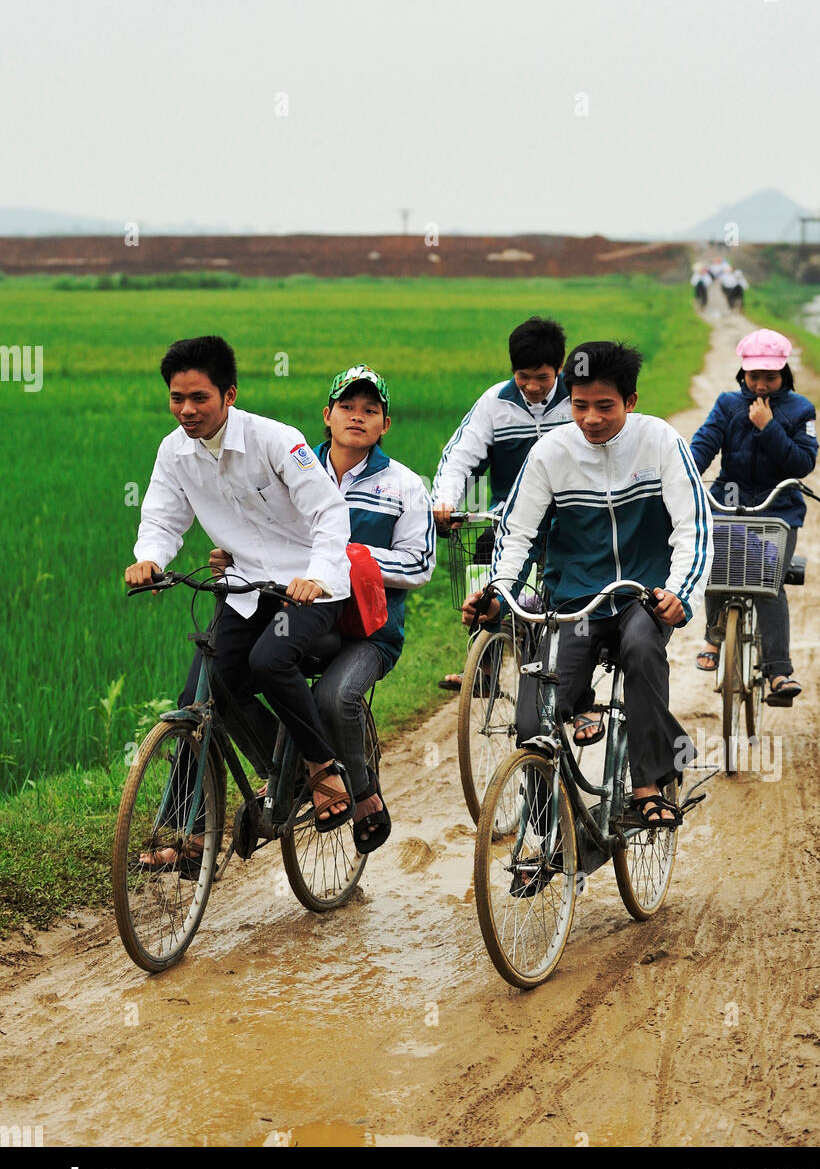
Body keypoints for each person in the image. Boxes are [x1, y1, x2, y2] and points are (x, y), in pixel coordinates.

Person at [124, 335, 355, 868]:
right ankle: (193, 834)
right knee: (199, 694)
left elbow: (328, 512)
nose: (186, 410)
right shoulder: (173, 452)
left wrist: (317, 576)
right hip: (244, 589)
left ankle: (322, 768)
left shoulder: (277, 441)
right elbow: (162, 519)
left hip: (308, 589)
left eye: (199, 397)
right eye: (177, 397)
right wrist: (150, 558)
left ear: (229, 395)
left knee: (268, 661)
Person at [465, 340, 712, 828]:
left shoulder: (659, 441)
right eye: (579, 405)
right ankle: (544, 834)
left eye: (605, 406)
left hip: (643, 595)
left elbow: (693, 526)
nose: (591, 418)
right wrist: (499, 590)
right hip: (575, 602)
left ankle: (647, 784)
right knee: (535, 719)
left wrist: (680, 593)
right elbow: (516, 534)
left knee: (642, 648)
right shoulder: (550, 454)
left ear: (631, 402)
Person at [211, 365, 435, 851]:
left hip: (367, 632)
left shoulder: (404, 486)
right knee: (227, 682)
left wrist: (344, 556)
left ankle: (361, 791)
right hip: (298, 614)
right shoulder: (290, 470)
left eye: (370, 410)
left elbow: (419, 564)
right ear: (327, 416)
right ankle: (283, 774)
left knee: (334, 698)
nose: (358, 417)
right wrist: (236, 553)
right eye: (347, 407)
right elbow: (259, 532)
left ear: (385, 425)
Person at [431, 316, 571, 689]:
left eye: (543, 377)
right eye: (523, 376)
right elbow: (459, 455)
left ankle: (572, 672)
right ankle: (485, 668)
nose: (532, 386)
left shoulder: (577, 399)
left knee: (570, 588)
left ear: (560, 368)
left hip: (567, 516)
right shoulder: (494, 403)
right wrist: (445, 501)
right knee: (484, 561)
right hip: (511, 516)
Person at [690, 329, 817, 703]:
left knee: (767, 584)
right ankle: (714, 638)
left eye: (770, 377)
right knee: (715, 566)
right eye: (754, 376)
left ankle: (778, 672)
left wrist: (768, 426)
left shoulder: (800, 409)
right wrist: (685, 474)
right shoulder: (728, 404)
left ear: (784, 375)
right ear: (742, 375)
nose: (761, 384)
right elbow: (705, 443)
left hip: (779, 507)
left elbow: (802, 462)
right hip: (730, 500)